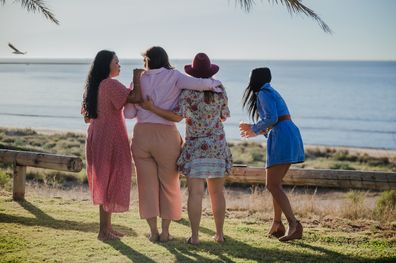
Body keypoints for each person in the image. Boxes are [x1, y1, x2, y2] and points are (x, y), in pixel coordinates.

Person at [124, 46, 223, 242]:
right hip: (166, 135)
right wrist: (215, 84)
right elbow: (202, 84)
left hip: (141, 134)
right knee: (169, 184)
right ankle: (166, 232)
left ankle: (153, 232)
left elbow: (128, 114)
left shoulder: (138, 80)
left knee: (147, 186)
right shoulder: (174, 76)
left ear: (147, 61)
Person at [81, 50, 142, 241]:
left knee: (105, 180)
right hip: (111, 138)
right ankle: (103, 231)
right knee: (111, 180)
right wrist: (137, 76)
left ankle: (106, 228)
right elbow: (136, 97)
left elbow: (86, 118)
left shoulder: (94, 85)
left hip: (96, 136)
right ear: (107, 64)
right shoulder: (109, 84)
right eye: (116, 61)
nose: (119, 64)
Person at [239, 67, 304, 242]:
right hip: (288, 133)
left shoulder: (263, 93)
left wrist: (253, 128)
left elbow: (272, 118)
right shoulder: (271, 91)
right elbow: (276, 119)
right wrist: (256, 131)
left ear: (253, 79)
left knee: (272, 185)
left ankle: (294, 224)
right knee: (276, 185)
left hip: (282, 136)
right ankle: (277, 224)